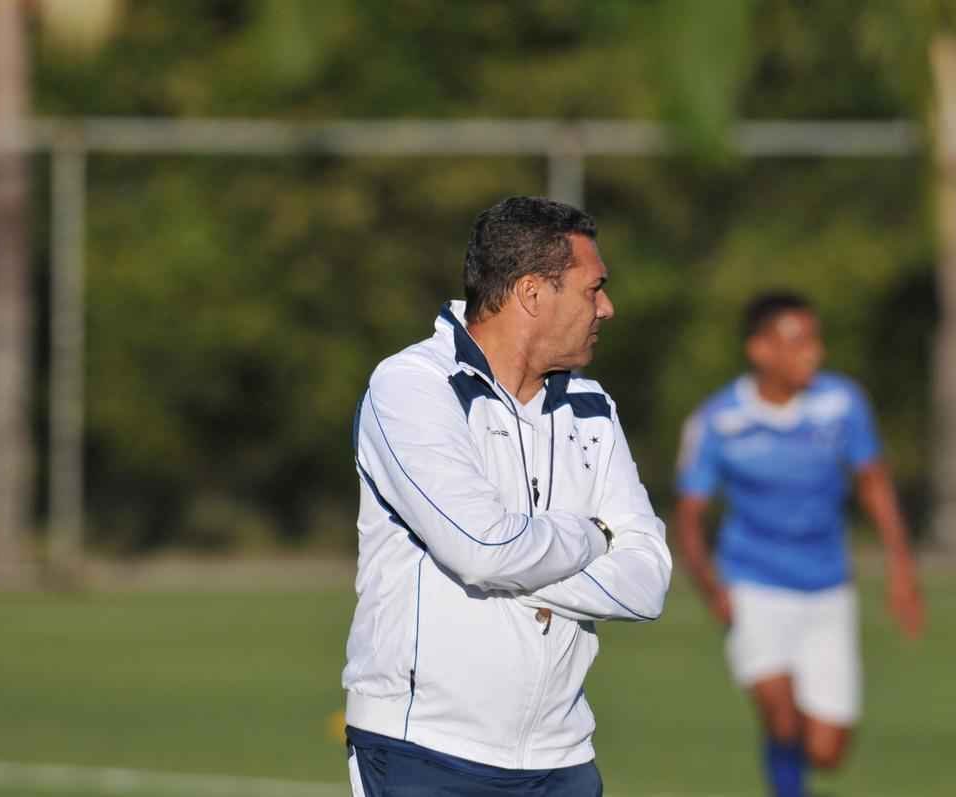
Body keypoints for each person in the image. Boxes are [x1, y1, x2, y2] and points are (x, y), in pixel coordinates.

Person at [343, 196, 672, 796]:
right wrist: (593, 535)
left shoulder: (593, 407)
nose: (607, 308)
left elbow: (648, 581)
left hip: (563, 758)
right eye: (593, 288)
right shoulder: (411, 388)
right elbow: (480, 549)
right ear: (531, 293)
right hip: (425, 751)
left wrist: (509, 559)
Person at [675, 292, 924, 797]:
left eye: (815, 339)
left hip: (828, 589)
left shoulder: (842, 404)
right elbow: (689, 516)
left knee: (826, 752)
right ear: (760, 350)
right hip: (754, 586)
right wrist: (710, 585)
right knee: (782, 718)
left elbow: (874, 484)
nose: (813, 352)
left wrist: (902, 572)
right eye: (797, 341)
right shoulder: (719, 420)